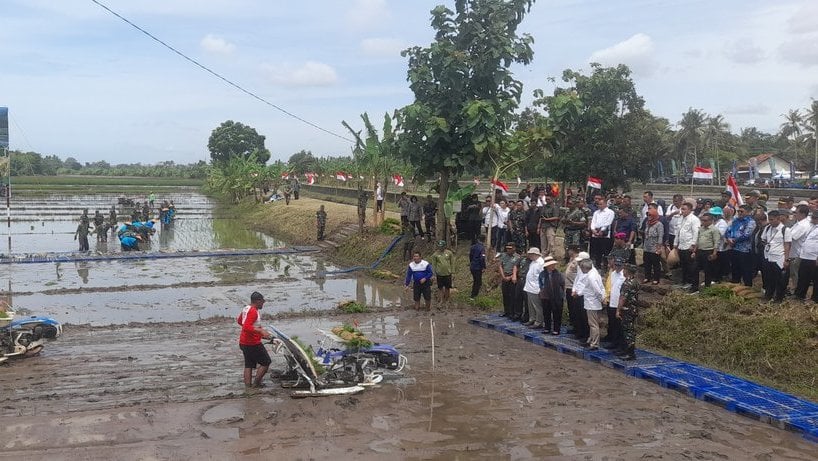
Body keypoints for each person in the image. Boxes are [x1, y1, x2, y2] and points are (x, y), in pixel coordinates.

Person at [237, 291, 272, 388]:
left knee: (248, 365)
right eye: (262, 302)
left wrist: (257, 333)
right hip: (252, 344)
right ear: (258, 301)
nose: (263, 304)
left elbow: (240, 321)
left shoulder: (246, 308)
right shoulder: (253, 311)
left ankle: (248, 387)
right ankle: (256, 384)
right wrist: (260, 331)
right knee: (266, 362)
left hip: (244, 342)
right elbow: (246, 327)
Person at [761, 210, 791, 302]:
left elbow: (787, 245)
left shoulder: (785, 230)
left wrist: (786, 259)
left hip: (779, 258)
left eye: (772, 219)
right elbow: (764, 239)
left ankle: (779, 299)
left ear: (778, 219)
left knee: (780, 280)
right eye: (769, 219)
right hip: (768, 257)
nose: (770, 221)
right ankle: (768, 296)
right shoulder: (767, 228)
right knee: (769, 279)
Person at [575, 258, 604, 350]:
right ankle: (591, 340)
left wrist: (601, 299)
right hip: (592, 302)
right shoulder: (594, 274)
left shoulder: (591, 277)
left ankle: (594, 343)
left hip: (592, 303)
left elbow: (597, 290)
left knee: (593, 324)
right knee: (592, 323)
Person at [726, 205, 756, 286]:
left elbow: (747, 235)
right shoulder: (735, 220)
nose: (739, 213)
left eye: (741, 211)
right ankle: (735, 285)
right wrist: (729, 238)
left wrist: (734, 240)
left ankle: (748, 287)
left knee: (746, 270)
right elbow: (728, 230)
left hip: (745, 250)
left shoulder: (751, 222)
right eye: (738, 211)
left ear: (748, 212)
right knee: (735, 269)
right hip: (734, 248)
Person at [674, 202, 700, 291]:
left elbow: (696, 233)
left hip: (689, 246)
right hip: (681, 245)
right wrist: (675, 243)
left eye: (684, 209)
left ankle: (691, 283)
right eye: (682, 209)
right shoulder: (681, 218)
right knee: (683, 265)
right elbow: (678, 231)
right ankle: (684, 281)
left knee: (690, 266)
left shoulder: (694, 219)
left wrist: (693, 245)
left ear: (690, 210)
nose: (682, 211)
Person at [616, 264, 640, 360]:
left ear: (628, 271)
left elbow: (623, 298)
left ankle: (630, 353)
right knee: (628, 330)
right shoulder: (635, 282)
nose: (623, 271)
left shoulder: (627, 283)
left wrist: (618, 310)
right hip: (633, 309)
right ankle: (626, 350)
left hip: (627, 309)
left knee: (627, 331)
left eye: (625, 269)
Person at [693, 213, 720, 292]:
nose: (703, 222)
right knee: (694, 269)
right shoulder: (701, 229)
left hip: (708, 251)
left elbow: (716, 242)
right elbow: (697, 240)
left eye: (705, 220)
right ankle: (695, 287)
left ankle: (707, 288)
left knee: (707, 270)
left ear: (711, 221)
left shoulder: (714, 230)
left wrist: (714, 253)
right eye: (702, 220)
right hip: (700, 251)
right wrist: (694, 251)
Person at [794, 211, 818, 302]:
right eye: (813, 218)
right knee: (803, 277)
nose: (813, 219)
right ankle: (799, 294)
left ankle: (815, 298)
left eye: (815, 218)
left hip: (814, 257)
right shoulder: (811, 227)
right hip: (805, 256)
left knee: (815, 279)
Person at [603, 258, 626, 349]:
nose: (617, 267)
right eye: (616, 265)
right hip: (612, 302)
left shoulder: (624, 275)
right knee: (612, 323)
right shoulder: (612, 274)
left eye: (619, 265)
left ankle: (618, 342)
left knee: (619, 324)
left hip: (619, 303)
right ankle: (614, 341)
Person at [539, 257, 565, 335]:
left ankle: (556, 329)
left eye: (553, 264)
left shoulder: (558, 274)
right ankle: (547, 328)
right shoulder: (542, 274)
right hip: (545, 297)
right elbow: (540, 284)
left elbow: (562, 284)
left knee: (557, 313)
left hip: (557, 296)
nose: (553, 266)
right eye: (551, 265)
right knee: (546, 312)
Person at [589, 194, 615, 272]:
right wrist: (593, 230)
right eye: (598, 204)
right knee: (597, 252)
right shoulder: (596, 212)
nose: (599, 206)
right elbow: (593, 222)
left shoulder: (610, 212)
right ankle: (597, 266)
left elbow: (608, 222)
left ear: (605, 204)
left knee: (606, 252)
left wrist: (602, 231)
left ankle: (605, 267)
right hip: (595, 234)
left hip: (605, 235)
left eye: (600, 204)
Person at [788, 205, 811, 291]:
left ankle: (795, 289)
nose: (794, 214)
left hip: (798, 253)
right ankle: (794, 288)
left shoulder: (803, 225)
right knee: (793, 272)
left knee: (795, 273)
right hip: (794, 251)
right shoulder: (798, 223)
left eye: (796, 213)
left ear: (802, 214)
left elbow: (792, 236)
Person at [523, 248, 545, 327]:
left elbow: (542, 277)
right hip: (529, 287)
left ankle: (539, 321)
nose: (529, 256)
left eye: (531, 254)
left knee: (537, 306)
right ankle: (532, 319)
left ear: (535, 254)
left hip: (535, 288)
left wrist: (541, 288)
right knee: (531, 306)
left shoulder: (541, 263)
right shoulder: (532, 262)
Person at [642, 204, 664, 285]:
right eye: (648, 215)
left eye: (650, 215)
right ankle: (647, 277)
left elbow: (660, 236)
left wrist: (658, 248)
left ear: (654, 215)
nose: (649, 216)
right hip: (646, 247)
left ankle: (656, 279)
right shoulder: (647, 223)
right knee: (647, 263)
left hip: (654, 248)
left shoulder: (659, 224)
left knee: (656, 264)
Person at [497, 242, 519, 316]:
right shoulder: (503, 255)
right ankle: (506, 311)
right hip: (504, 276)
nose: (508, 250)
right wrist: (503, 277)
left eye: (510, 248)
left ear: (514, 248)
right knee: (505, 295)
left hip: (512, 278)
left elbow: (518, 269)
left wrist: (510, 277)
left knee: (512, 296)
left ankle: (512, 312)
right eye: (507, 248)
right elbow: (500, 266)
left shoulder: (517, 257)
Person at [430, 240, 455, 306]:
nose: (440, 248)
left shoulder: (449, 253)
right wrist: (434, 274)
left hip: (447, 273)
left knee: (447, 287)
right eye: (439, 246)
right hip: (439, 274)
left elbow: (452, 263)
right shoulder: (435, 254)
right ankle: (441, 300)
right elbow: (434, 265)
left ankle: (447, 300)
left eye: (442, 246)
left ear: (445, 246)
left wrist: (453, 272)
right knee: (440, 288)